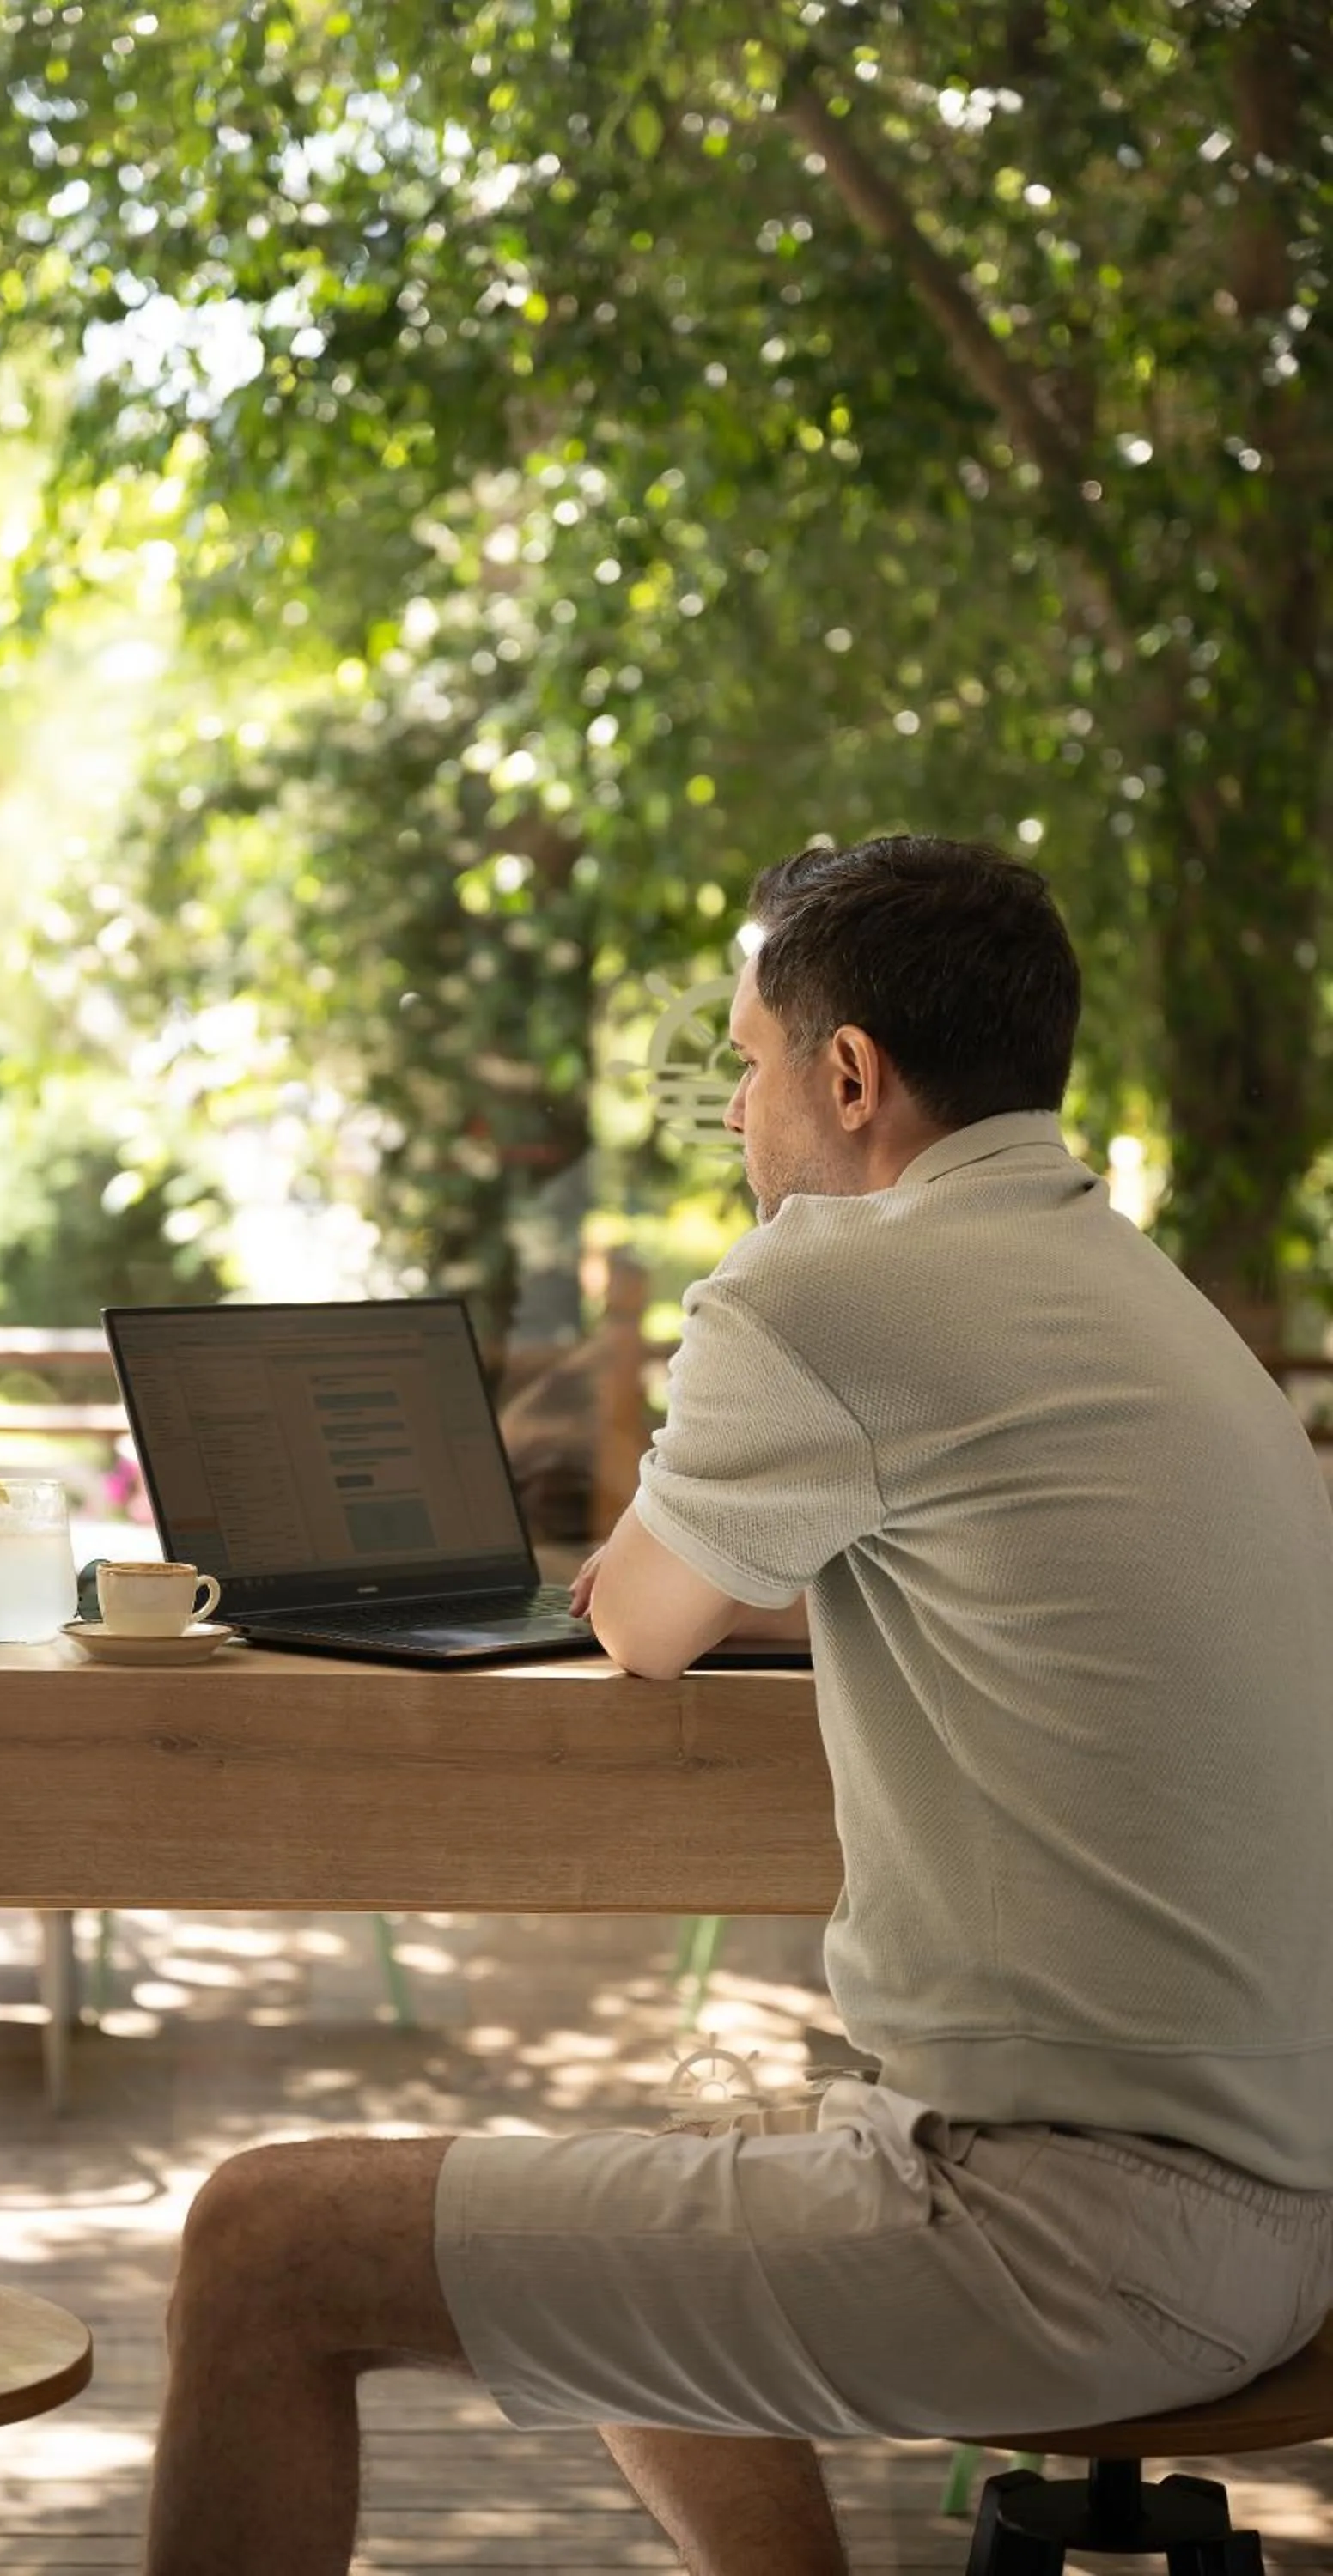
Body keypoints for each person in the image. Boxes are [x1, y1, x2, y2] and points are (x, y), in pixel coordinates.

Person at [141, 834, 1333, 2576]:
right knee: (667, 2170)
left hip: (1072, 2226)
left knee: (262, 2244)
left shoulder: (834, 1281)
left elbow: (633, 1616)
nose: (733, 1114)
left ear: (848, 1074)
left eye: (748, 1060)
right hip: (1281, 2195)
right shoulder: (1139, 1294)